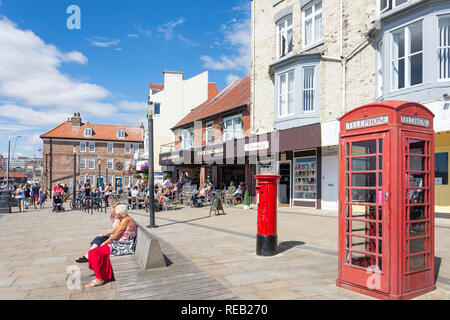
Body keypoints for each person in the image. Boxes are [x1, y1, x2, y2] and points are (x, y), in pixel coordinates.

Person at [86, 205, 137, 287]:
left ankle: (99, 279)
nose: (115, 215)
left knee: (94, 252)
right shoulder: (124, 219)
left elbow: (116, 236)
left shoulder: (126, 220)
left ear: (120, 214)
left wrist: (104, 243)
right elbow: (115, 232)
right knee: (95, 252)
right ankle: (106, 275)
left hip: (123, 246)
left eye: (116, 214)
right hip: (120, 244)